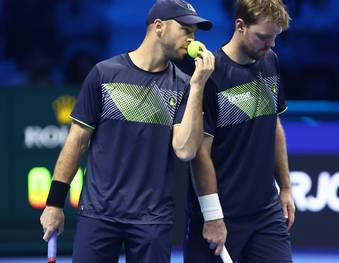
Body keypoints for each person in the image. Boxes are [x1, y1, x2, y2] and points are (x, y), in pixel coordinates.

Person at [39, 0, 214, 262]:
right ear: (158, 27)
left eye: (194, 33)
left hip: (153, 220)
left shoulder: (186, 86)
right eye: (185, 30)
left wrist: (199, 86)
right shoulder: (104, 74)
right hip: (99, 214)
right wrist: (54, 203)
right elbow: (76, 142)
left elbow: (186, 150)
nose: (191, 39)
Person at [184, 0, 295, 262]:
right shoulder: (210, 76)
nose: (271, 45)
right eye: (264, 37)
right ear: (240, 26)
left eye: (275, 38)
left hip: (265, 214)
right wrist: (213, 217)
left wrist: (286, 187)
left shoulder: (270, 62)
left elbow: (274, 127)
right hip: (221, 216)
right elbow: (201, 153)